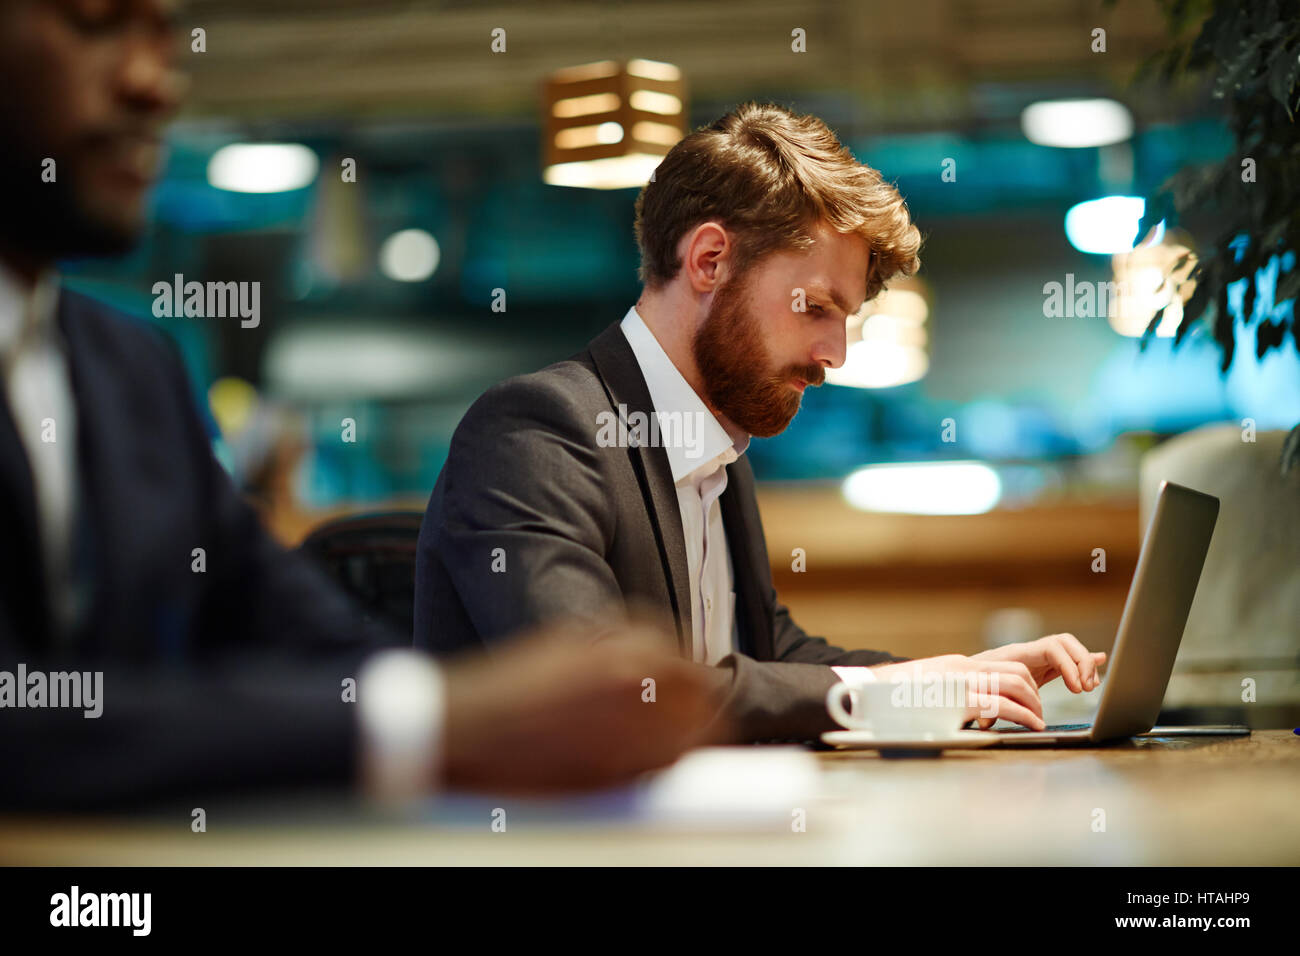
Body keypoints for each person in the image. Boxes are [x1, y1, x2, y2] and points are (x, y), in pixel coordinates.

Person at [0, 0, 720, 810]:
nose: (152, 81)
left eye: (162, 33)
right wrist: (432, 720)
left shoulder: (131, 369)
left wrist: (523, 707)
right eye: (95, 20)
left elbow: (280, 619)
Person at [415, 102, 1107, 740]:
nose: (835, 354)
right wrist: (892, 692)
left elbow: (769, 659)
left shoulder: (720, 446)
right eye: (815, 308)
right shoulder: (536, 431)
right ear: (710, 260)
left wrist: (959, 675)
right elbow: (608, 689)